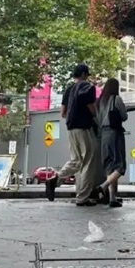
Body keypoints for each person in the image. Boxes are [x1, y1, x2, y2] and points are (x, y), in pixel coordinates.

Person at [46, 63, 98, 206]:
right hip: (84, 128)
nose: (87, 77)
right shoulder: (87, 88)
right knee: (88, 162)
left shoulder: (68, 90)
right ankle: (82, 197)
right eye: (87, 75)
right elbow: (93, 110)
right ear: (83, 75)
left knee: (76, 161)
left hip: (71, 129)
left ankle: (55, 180)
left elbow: (63, 113)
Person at [95, 78, 128, 208]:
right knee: (120, 166)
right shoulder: (116, 99)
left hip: (104, 135)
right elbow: (124, 116)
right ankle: (103, 187)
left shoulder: (100, 102)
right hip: (115, 134)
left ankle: (112, 199)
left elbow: (98, 119)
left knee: (109, 166)